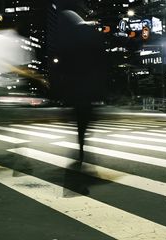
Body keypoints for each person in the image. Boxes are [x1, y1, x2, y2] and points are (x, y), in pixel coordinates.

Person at [51, 7, 107, 162]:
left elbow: (62, 65)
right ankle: (82, 143)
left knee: (79, 119)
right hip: (89, 86)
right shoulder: (91, 36)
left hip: (76, 87)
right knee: (85, 118)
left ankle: (81, 144)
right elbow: (101, 61)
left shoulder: (69, 39)